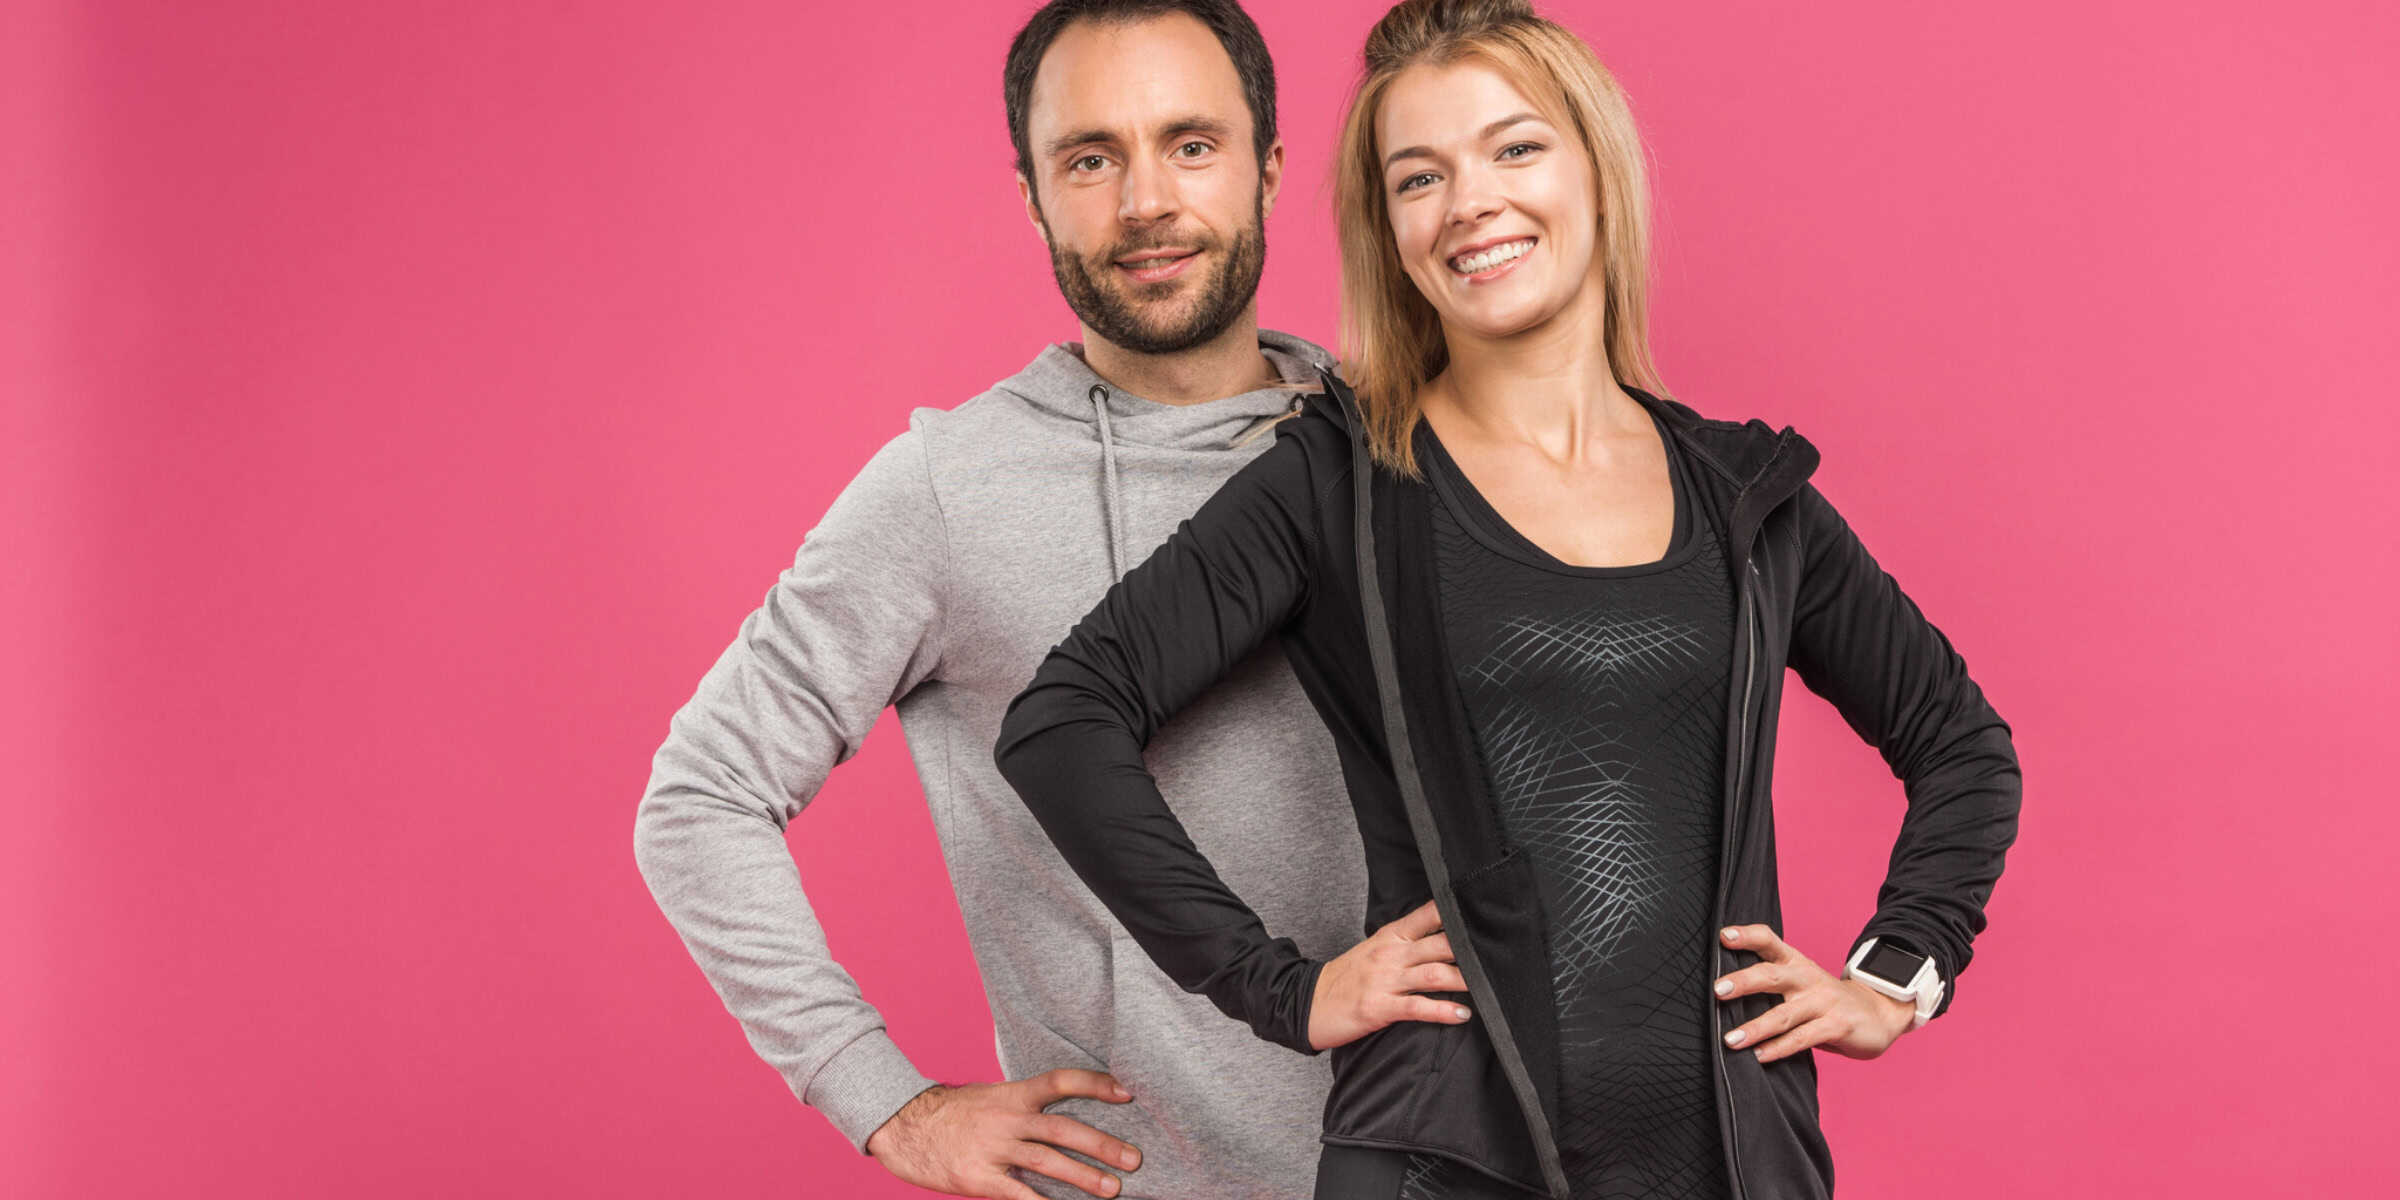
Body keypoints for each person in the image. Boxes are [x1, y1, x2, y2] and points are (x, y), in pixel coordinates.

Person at [992, 1, 2023, 1197]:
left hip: (1734, 1163)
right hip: (1439, 1162)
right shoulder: (1337, 481)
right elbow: (1065, 721)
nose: (1471, 202)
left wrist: (1898, 972)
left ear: (1596, 167)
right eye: (1418, 176)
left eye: (1515, 148)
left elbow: (1962, 745)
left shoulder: (1748, 500)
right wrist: (1281, 986)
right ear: (1390, 228)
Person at [631, 3, 1369, 1198]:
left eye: (1190, 144)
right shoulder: (949, 491)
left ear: (1268, 169)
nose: (1144, 203)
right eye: (1090, 158)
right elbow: (702, 797)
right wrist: (889, 1104)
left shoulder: (1400, 438)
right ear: (1031, 195)